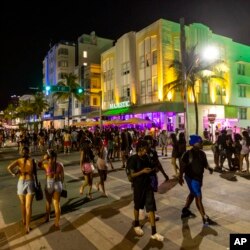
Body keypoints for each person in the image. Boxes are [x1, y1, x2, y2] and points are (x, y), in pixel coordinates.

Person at [126, 140, 164, 241]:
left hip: (147, 186)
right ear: (140, 149)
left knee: (151, 208)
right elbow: (131, 175)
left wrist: (155, 169)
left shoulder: (147, 157)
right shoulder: (133, 159)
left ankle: (154, 232)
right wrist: (142, 171)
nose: (146, 151)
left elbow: (152, 167)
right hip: (138, 186)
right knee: (137, 206)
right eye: (144, 149)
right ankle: (137, 224)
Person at [179, 135, 214, 226]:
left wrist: (209, 168)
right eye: (200, 142)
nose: (202, 143)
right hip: (191, 178)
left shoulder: (202, 153)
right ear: (194, 143)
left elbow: (205, 164)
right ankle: (204, 217)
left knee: (193, 193)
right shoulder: (187, 154)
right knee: (198, 197)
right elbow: (182, 167)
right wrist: (180, 177)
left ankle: (185, 210)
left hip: (199, 178)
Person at [7, 146, 35, 234]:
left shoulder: (19, 161)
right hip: (30, 182)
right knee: (28, 206)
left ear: (21, 153)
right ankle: (27, 226)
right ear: (28, 152)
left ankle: (24, 220)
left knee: (22, 204)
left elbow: (8, 167)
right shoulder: (32, 160)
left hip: (21, 182)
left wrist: (14, 173)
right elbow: (33, 172)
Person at [38, 149, 64, 229]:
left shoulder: (46, 165)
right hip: (58, 183)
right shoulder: (60, 165)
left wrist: (43, 158)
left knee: (48, 202)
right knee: (56, 203)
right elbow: (62, 177)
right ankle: (57, 222)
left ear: (48, 156)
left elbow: (38, 164)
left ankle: (47, 217)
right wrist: (60, 185)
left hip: (49, 183)